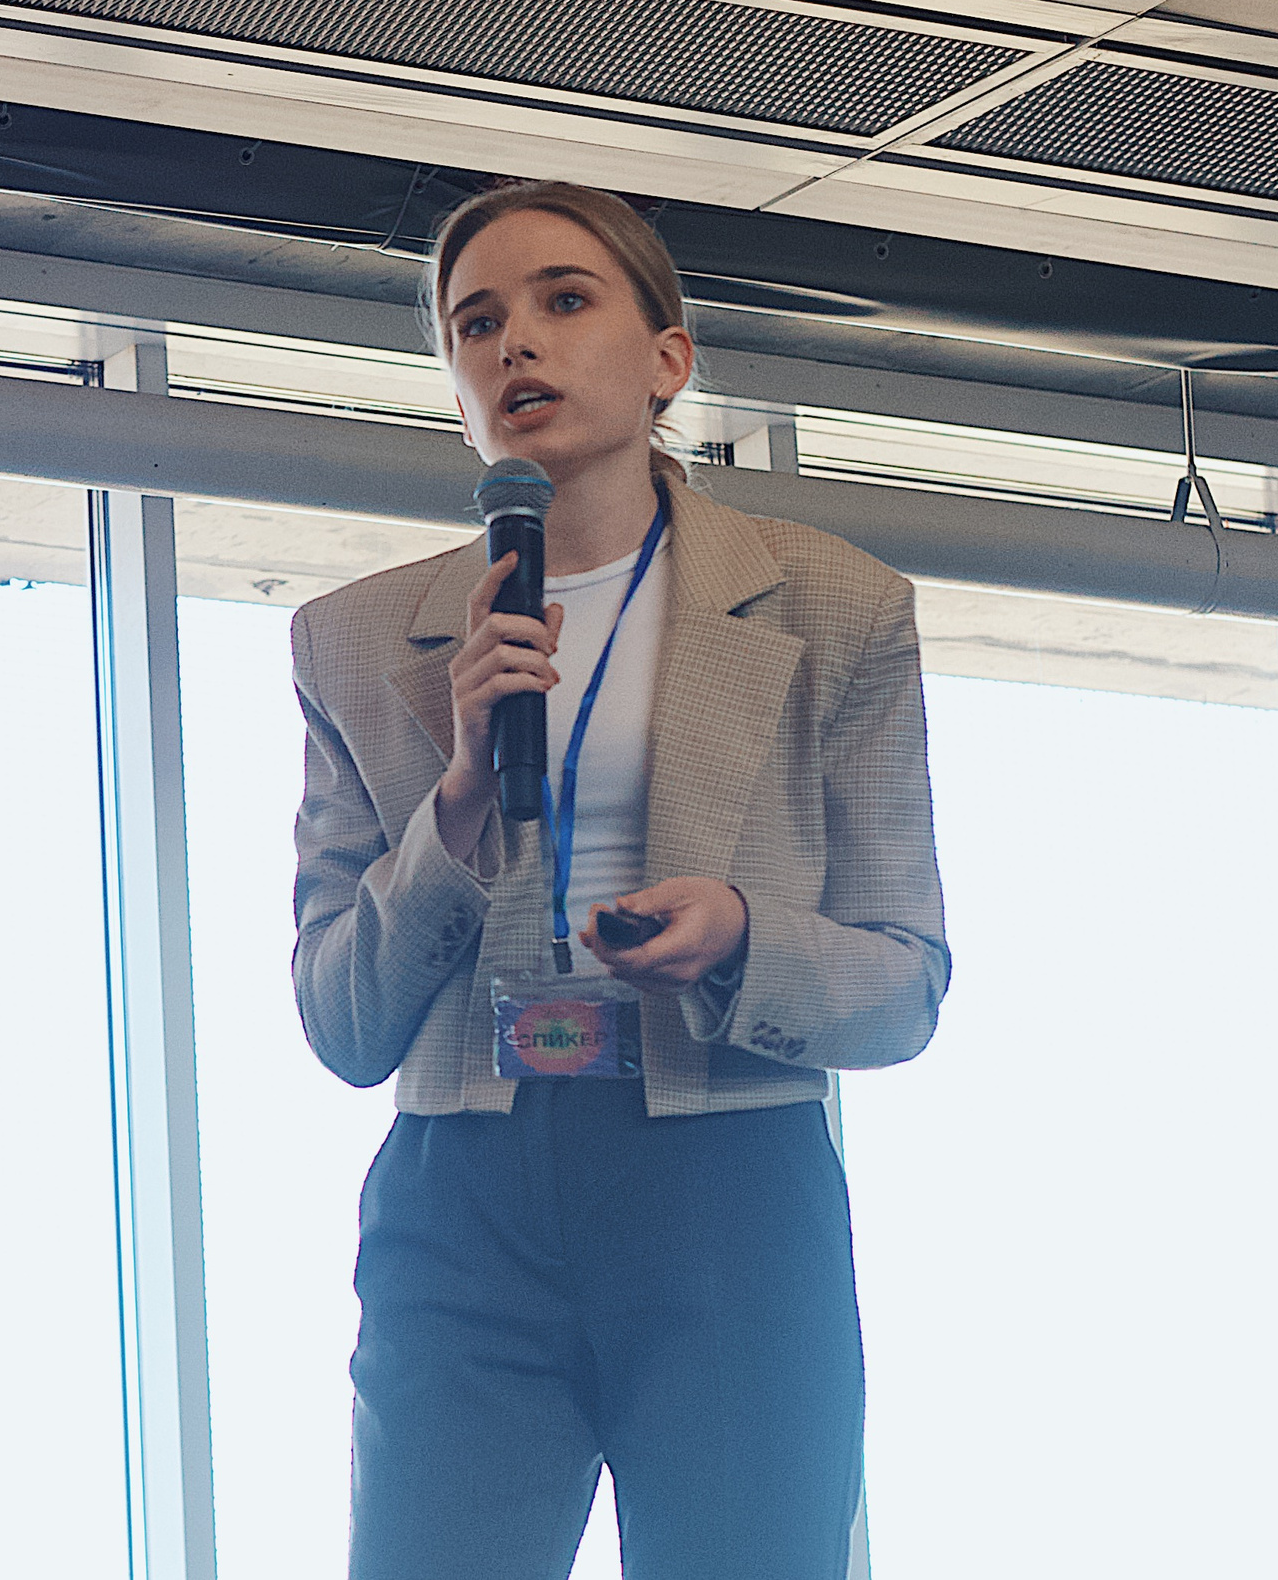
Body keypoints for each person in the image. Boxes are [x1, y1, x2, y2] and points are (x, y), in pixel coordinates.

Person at [287, 180, 952, 1578]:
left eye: (562, 300)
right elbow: (343, 1022)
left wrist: (739, 938)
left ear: (667, 359)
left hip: (727, 1171)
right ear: (457, 385)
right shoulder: (358, 643)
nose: (514, 343)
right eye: (477, 323)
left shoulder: (837, 607)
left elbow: (903, 983)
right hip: (460, 1184)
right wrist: (458, 795)